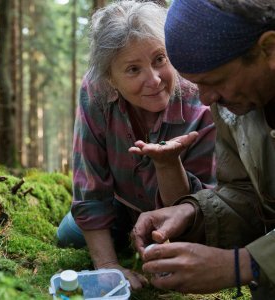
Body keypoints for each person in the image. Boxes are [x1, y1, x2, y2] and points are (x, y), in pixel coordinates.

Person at [55, 0, 217, 291]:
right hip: (121, 205)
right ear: (110, 80)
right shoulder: (95, 91)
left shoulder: (200, 95)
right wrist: (107, 266)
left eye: (159, 59)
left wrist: (168, 164)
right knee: (70, 235)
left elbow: (202, 207)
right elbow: (90, 185)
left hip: (183, 216)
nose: (153, 80)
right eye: (133, 69)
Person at [132, 0, 275, 298]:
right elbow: (246, 194)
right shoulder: (235, 106)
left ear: (269, 49)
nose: (207, 99)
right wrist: (192, 212)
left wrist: (241, 265)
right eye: (197, 85)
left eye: (215, 81)